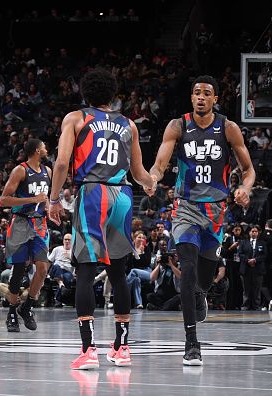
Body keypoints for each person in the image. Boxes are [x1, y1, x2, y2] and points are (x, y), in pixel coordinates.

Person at [48, 69, 156, 370]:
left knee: (84, 269)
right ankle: (122, 348)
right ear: (113, 94)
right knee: (118, 272)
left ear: (85, 93)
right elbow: (139, 173)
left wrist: (54, 199)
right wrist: (151, 182)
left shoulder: (76, 118)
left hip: (93, 193)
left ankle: (88, 350)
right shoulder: (128, 124)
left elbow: (60, 163)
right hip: (122, 195)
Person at [146, 75, 255, 365]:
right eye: (196, 93)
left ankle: (200, 294)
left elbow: (248, 169)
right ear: (191, 98)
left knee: (203, 279)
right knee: (188, 266)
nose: (201, 97)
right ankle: (191, 343)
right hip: (186, 207)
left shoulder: (228, 128)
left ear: (215, 99)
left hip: (216, 212)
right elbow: (159, 165)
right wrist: (153, 179)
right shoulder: (177, 126)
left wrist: (244, 188)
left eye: (207, 93)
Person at [0, 139, 51, 332]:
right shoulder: (20, 170)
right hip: (20, 222)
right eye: (44, 147)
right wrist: (32, 199)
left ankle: (27, 306)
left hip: (40, 223)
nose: (47, 149)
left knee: (43, 268)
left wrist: (53, 207)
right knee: (19, 272)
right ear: (37, 150)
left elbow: (46, 199)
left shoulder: (48, 172)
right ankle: (12, 311)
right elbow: (3, 201)